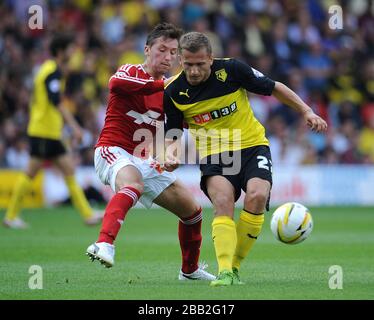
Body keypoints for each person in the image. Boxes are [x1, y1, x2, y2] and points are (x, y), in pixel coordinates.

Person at [163, 32, 328, 286]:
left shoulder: (232, 70)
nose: (194, 71)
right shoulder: (173, 91)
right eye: (188, 65)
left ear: (211, 58)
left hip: (251, 145)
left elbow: (274, 88)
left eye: (199, 64)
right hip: (215, 154)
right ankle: (225, 271)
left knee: (257, 196)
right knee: (223, 201)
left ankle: (234, 267)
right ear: (181, 62)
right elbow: (173, 131)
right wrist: (171, 153)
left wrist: (306, 111)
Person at [85, 23, 215, 281]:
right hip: (112, 150)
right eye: (162, 50)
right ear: (147, 49)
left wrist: (172, 154)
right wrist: (166, 85)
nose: (167, 57)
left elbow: (176, 130)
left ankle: (189, 271)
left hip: (143, 158)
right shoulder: (130, 71)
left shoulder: (173, 93)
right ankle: (104, 243)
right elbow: (115, 84)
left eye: (173, 52)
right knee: (132, 184)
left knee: (192, 212)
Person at [3, 34, 102, 229]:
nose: (73, 52)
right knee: (32, 172)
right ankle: (11, 215)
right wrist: (75, 127)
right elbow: (56, 101)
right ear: (61, 52)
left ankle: (88, 214)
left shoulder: (47, 70)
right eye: (70, 49)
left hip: (47, 131)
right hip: (44, 131)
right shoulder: (52, 72)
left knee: (68, 170)